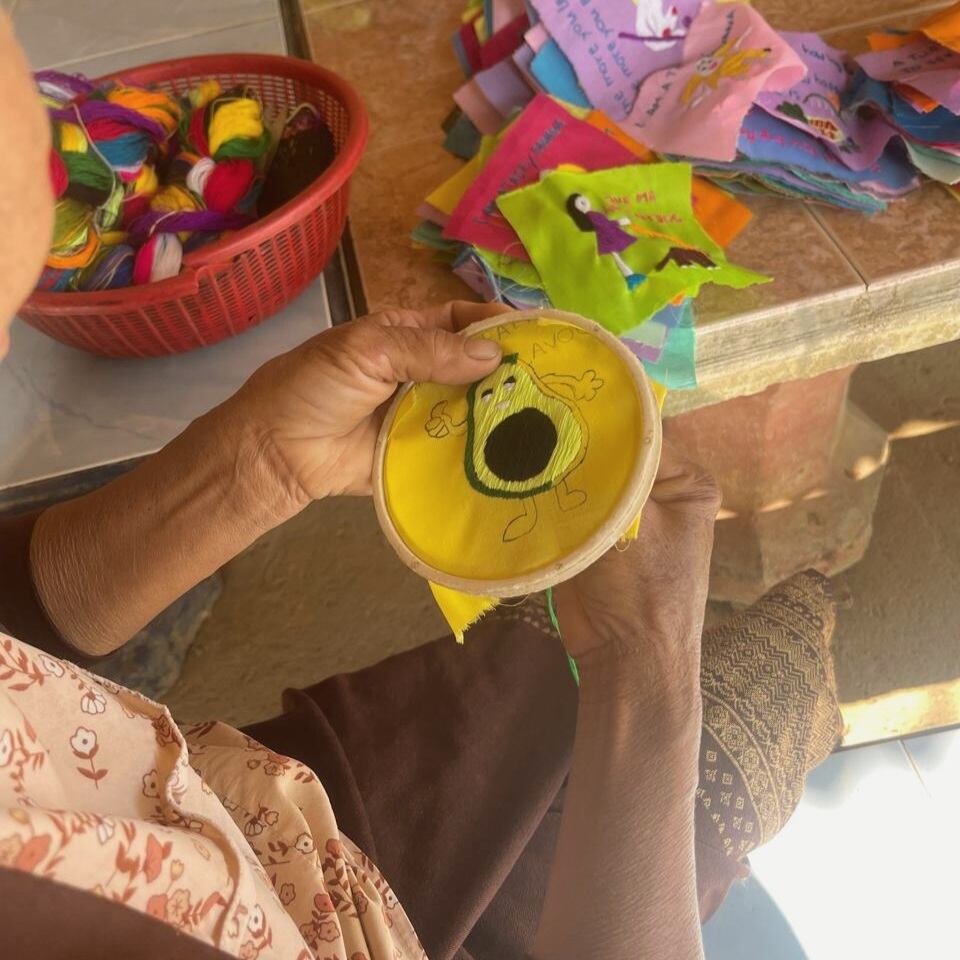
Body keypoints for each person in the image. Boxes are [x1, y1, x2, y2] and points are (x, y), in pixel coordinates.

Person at [0, 12, 841, 960]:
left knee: (558, 683)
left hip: (234, 805)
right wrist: (646, 674)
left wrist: (261, 464)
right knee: (757, 691)